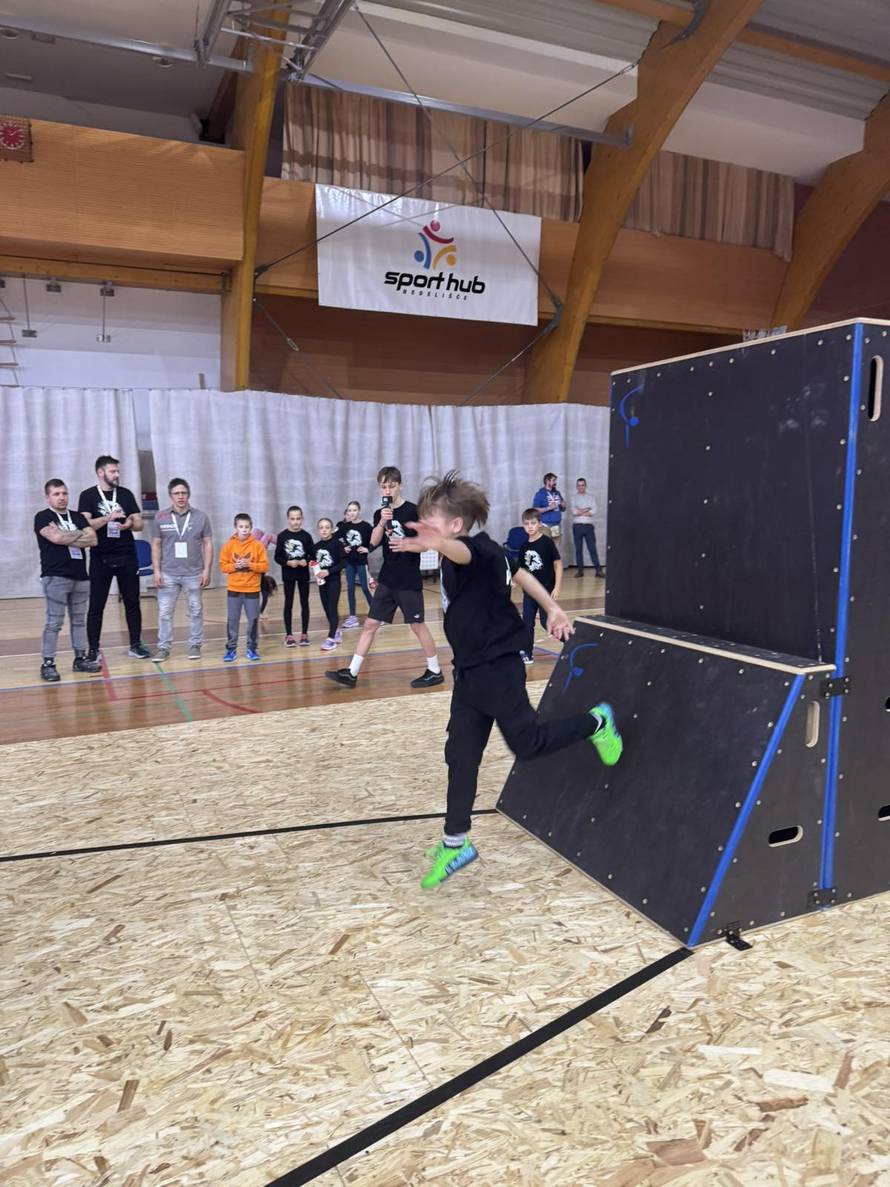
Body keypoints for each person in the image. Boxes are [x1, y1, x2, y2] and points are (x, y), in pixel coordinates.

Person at [389, 471, 623, 888]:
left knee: (527, 743)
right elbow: (521, 574)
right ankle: (455, 843)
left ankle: (597, 722)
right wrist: (552, 608)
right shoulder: (494, 551)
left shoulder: (473, 550)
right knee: (460, 754)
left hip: (498, 664)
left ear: (455, 526)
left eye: (432, 521)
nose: (424, 527)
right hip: (470, 671)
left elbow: (462, 554)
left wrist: (437, 543)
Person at [325, 466, 443, 690]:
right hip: (388, 577)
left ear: (400, 485)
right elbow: (374, 542)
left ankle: (435, 670)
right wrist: (381, 522)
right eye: (383, 486)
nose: (387, 489)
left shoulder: (413, 510)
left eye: (391, 485)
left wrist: (407, 544)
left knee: (417, 626)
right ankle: (352, 672)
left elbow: (427, 543)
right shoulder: (382, 511)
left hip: (407, 579)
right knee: (370, 624)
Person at [78, 454, 150, 660]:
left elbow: (139, 523)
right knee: (96, 605)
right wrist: (108, 518)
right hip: (101, 556)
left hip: (126, 554)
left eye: (118, 471)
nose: (117, 474)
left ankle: (135, 644)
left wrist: (128, 524)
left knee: (132, 603)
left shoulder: (125, 494)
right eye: (113, 471)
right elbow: (86, 525)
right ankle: (93, 649)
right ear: (101, 472)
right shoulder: (88, 496)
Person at [34, 479, 102, 682]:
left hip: (81, 577)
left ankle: (80, 658)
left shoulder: (78, 516)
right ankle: (48, 663)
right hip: (55, 576)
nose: (62, 497)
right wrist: (78, 535)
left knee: (79, 621)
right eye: (56, 494)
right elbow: (54, 539)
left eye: (64, 493)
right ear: (48, 497)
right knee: (54, 622)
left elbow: (93, 539)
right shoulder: (42, 517)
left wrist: (65, 534)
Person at [149, 477, 213, 661]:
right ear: (170, 496)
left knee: (195, 610)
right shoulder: (160, 517)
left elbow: (208, 543)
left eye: (184, 493)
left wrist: (207, 569)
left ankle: (195, 645)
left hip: (194, 573)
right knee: (165, 612)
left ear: (189, 494)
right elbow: (156, 545)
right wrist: (156, 571)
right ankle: (163, 648)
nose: (181, 496)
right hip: (168, 573)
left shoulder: (201, 516)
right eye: (177, 493)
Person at [219, 513, 269, 662]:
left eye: (247, 527)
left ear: (251, 528)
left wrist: (250, 565)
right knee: (232, 620)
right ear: (236, 528)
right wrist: (235, 566)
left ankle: (252, 649)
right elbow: (223, 566)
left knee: (253, 620)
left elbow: (265, 566)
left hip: (252, 590)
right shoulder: (229, 545)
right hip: (234, 589)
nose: (244, 530)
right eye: (241, 527)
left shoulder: (258, 545)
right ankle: (231, 649)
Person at [517, 508, 562, 666]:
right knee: (527, 623)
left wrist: (556, 587)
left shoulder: (546, 542)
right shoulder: (523, 547)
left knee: (546, 622)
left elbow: (558, 565)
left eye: (533, 523)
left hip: (545, 592)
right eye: (527, 524)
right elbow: (522, 570)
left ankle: (569, 640)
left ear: (539, 524)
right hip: (530, 593)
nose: (530, 526)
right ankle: (527, 653)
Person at [274, 505, 314, 647]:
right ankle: (289, 635)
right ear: (288, 519)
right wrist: (287, 562)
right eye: (292, 519)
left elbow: (314, 556)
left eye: (298, 518)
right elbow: (277, 557)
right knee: (288, 604)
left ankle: (304, 634)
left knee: (305, 603)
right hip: (289, 575)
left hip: (303, 575)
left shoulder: (306, 536)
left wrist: (306, 561)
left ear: (302, 519)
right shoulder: (282, 536)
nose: (295, 521)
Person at [337, 500, 373, 629]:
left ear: (359, 511)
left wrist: (368, 549)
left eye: (354, 510)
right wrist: (342, 548)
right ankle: (352, 617)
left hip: (361, 562)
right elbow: (333, 539)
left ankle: (376, 615)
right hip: (349, 563)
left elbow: (377, 539)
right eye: (349, 511)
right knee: (350, 589)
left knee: (365, 588)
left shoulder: (366, 527)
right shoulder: (345, 527)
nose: (351, 513)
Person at [314, 517, 346, 651]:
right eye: (321, 528)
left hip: (334, 581)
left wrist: (329, 571)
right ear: (318, 530)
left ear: (332, 529)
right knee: (327, 608)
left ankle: (331, 638)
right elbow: (313, 561)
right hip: (322, 582)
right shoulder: (316, 546)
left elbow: (344, 562)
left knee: (332, 607)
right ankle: (336, 630)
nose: (324, 530)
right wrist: (315, 569)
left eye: (327, 527)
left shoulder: (337, 544)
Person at [571, 477, 604, 579]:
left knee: (592, 549)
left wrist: (580, 511)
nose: (581, 487)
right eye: (579, 485)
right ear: (576, 487)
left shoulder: (591, 497)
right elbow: (573, 512)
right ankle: (580, 571)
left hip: (589, 526)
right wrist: (586, 510)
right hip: (577, 526)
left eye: (583, 485)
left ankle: (598, 571)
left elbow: (594, 510)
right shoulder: (573, 498)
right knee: (578, 549)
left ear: (585, 486)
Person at [532, 472, 566, 539]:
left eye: (555, 480)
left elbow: (562, 509)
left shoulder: (557, 493)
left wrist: (563, 506)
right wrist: (549, 508)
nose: (555, 482)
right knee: (546, 547)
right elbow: (535, 510)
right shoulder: (540, 493)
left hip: (556, 525)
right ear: (547, 481)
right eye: (553, 480)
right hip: (545, 526)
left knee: (556, 547)